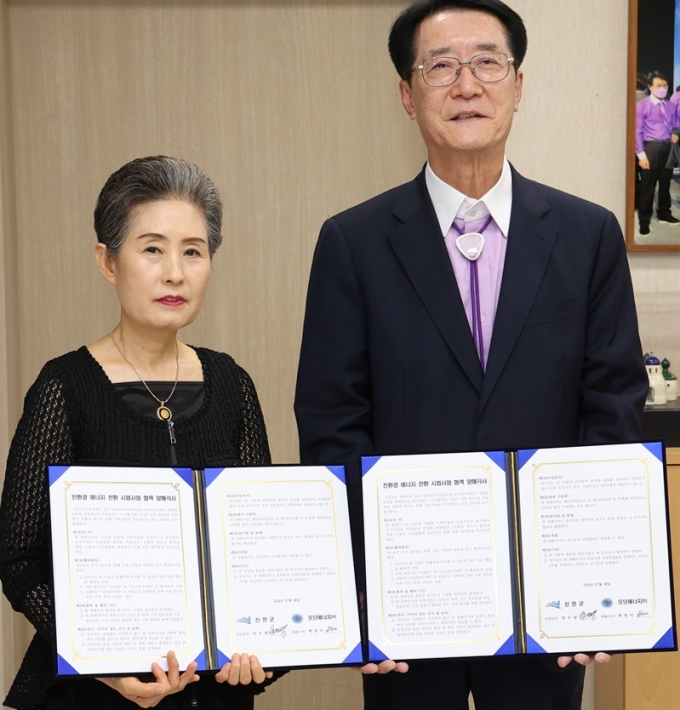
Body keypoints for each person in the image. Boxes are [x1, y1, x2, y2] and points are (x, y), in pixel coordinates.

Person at [294, 1, 648, 709]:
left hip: (545, 600)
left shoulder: (587, 235)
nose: (466, 85)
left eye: (488, 62)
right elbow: (333, 420)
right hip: (406, 602)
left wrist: (594, 582)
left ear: (518, 85)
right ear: (406, 93)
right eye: (441, 66)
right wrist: (359, 585)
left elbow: (611, 406)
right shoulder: (353, 242)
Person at [0, 156, 277, 710]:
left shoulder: (232, 384)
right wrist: (101, 662)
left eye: (193, 251)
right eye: (152, 248)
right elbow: (18, 558)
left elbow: (257, 552)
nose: (175, 271)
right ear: (108, 261)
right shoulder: (66, 387)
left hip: (211, 696)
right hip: (93, 695)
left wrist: (260, 650)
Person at [636, 71, 680, 235]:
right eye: (658, 86)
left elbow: (675, 123)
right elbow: (637, 132)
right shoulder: (642, 106)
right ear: (650, 87)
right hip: (651, 148)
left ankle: (664, 213)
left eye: (665, 85)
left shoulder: (670, 105)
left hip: (668, 148)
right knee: (648, 187)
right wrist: (641, 155)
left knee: (665, 184)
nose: (662, 89)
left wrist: (676, 133)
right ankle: (644, 221)